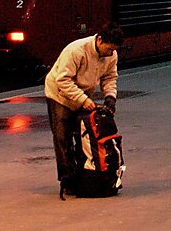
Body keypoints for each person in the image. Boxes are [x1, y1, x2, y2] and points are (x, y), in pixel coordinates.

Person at [44, 24, 124, 196]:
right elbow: (62, 80)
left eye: (114, 50)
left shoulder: (111, 54)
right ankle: (68, 180)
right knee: (62, 138)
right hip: (59, 96)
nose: (110, 53)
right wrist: (83, 99)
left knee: (82, 137)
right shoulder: (76, 50)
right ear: (100, 39)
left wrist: (110, 98)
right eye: (109, 49)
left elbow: (110, 77)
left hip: (82, 94)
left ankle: (83, 175)